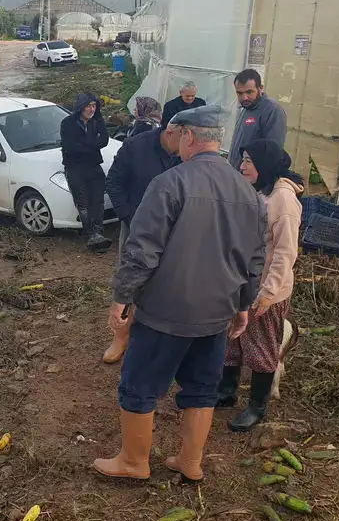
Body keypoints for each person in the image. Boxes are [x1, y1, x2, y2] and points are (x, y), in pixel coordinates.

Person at [92, 104, 267, 483]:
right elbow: (254, 261)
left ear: (188, 136)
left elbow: (142, 250)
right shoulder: (249, 194)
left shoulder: (171, 183)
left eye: (179, 137)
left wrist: (122, 297)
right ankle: (190, 462)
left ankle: (134, 461)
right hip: (216, 312)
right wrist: (242, 307)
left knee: (139, 385)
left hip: (165, 311)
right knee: (202, 388)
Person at [218, 139, 304, 431]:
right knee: (232, 339)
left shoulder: (283, 200)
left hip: (266, 290)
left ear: (264, 165)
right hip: (242, 283)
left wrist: (268, 294)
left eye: (248, 161)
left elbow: (285, 252)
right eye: (242, 159)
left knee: (260, 347)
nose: (242, 166)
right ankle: (226, 391)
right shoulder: (260, 191)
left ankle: (257, 406)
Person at [102, 119, 183, 364]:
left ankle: (157, 338)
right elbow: (114, 183)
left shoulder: (189, 155)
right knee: (131, 279)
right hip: (137, 228)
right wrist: (130, 218)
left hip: (176, 230)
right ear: (171, 132)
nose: (189, 143)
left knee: (167, 282)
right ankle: (121, 335)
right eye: (185, 137)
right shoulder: (135, 147)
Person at [60, 92, 113, 252]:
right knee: (83, 203)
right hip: (75, 168)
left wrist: (86, 145)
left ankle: (98, 232)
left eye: (94, 106)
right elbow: (71, 147)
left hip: (94, 165)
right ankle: (89, 234)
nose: (91, 109)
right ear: (81, 107)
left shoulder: (97, 121)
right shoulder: (68, 123)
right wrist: (92, 145)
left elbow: (104, 140)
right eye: (88, 106)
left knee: (98, 201)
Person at [226, 69, 287, 169]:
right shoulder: (246, 108)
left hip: (253, 181)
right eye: (240, 93)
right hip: (237, 176)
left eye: (249, 92)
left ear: (261, 88)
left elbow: (272, 153)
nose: (244, 97)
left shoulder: (272, 110)